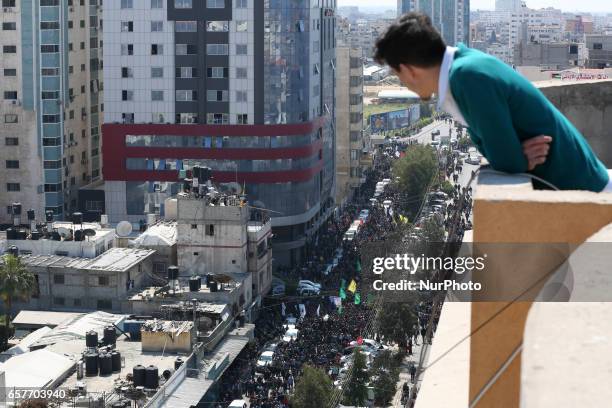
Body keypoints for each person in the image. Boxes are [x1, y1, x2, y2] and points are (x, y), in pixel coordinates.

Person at [374, 12, 611, 193]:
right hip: (572, 186)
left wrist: (515, 158)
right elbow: (501, 153)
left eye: (398, 75)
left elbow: (507, 161)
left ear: (408, 70)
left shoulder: (468, 78)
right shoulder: (465, 66)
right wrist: (514, 156)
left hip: (583, 192)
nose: (403, 84)